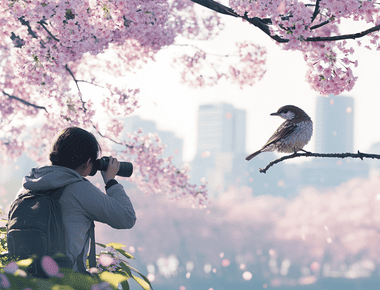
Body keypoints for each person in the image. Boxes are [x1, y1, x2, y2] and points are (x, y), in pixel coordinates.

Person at [14, 127, 137, 273]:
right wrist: (110, 181)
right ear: (88, 161)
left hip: (24, 278)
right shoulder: (79, 189)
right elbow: (127, 218)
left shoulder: (28, 186)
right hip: (63, 280)